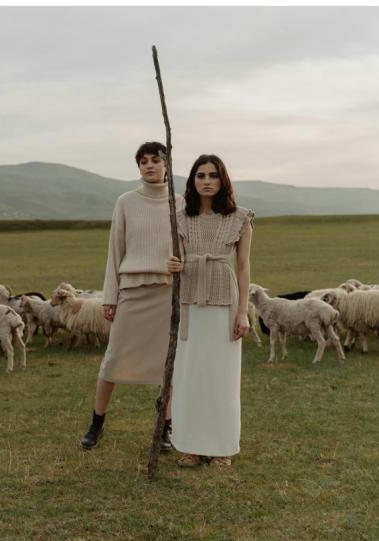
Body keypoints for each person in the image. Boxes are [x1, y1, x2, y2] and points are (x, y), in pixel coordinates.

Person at [80, 141, 183, 451]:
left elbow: (187, 247)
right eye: (143, 161)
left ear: (167, 165)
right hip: (131, 291)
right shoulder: (125, 202)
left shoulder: (179, 203)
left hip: (166, 292)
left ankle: (165, 426)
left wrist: (182, 264)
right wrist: (110, 297)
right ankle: (97, 422)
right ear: (138, 167)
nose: (149, 165)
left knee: (168, 364)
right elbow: (115, 251)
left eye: (156, 160)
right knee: (113, 360)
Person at [166, 154, 253, 468]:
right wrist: (173, 264)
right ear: (192, 181)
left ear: (222, 180)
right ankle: (190, 445)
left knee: (221, 377)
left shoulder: (240, 218)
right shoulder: (179, 216)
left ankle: (221, 448)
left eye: (212, 175)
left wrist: (242, 312)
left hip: (224, 303)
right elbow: (174, 258)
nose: (206, 181)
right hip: (189, 302)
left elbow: (243, 267)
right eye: (200, 175)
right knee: (189, 376)